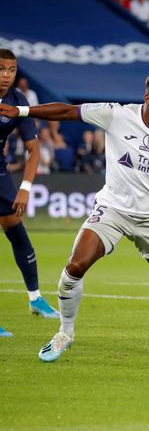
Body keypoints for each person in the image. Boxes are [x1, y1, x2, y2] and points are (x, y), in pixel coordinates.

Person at [0, 69, 149, 362]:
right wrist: (22, 110)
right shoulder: (116, 115)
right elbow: (68, 111)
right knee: (75, 266)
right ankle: (65, 333)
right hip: (112, 210)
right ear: (148, 99)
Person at [0, 49, 58, 319]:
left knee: (16, 230)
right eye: (1, 69)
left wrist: (24, 188)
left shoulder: (17, 100)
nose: (6, 75)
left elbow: (34, 151)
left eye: (11, 70)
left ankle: (35, 299)